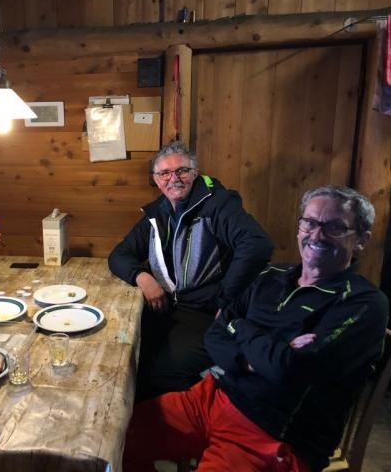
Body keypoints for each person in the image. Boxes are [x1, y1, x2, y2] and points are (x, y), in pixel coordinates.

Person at [123, 185, 388, 472]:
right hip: (212, 397)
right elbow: (215, 334)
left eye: (335, 227)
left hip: (270, 435)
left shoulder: (364, 303)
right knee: (114, 438)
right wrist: (254, 353)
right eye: (309, 223)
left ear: (361, 240)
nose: (317, 235)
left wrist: (239, 326)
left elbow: (288, 369)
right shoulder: (272, 275)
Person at [108, 140, 273, 399]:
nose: (174, 179)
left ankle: (188, 410)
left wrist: (226, 299)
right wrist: (143, 277)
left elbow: (257, 245)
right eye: (164, 173)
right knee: (122, 351)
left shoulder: (218, 204)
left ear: (194, 173)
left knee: (157, 372)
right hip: (168, 309)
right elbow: (119, 255)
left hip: (206, 314)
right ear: (156, 179)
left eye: (182, 171)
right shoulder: (159, 211)